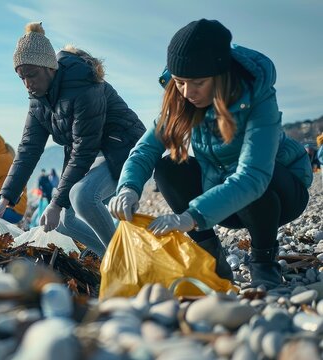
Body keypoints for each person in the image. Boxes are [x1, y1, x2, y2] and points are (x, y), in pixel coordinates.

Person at [109, 19, 312, 288]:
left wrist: (189, 217)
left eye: (198, 83)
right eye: (180, 82)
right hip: (220, 201)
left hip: (278, 195)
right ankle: (212, 259)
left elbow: (253, 176)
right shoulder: (181, 98)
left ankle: (264, 262)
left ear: (220, 74)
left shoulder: (259, 97)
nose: (187, 92)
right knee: (168, 167)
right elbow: (145, 149)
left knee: (249, 177)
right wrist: (128, 188)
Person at [0, 22, 146, 257]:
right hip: (94, 151)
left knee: (82, 197)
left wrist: (55, 202)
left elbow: (84, 149)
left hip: (126, 147)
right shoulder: (37, 99)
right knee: (63, 221)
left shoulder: (84, 85)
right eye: (22, 78)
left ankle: (128, 261)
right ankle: (111, 258)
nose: (28, 84)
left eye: (32, 75)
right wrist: (5, 198)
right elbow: (28, 149)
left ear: (50, 67)